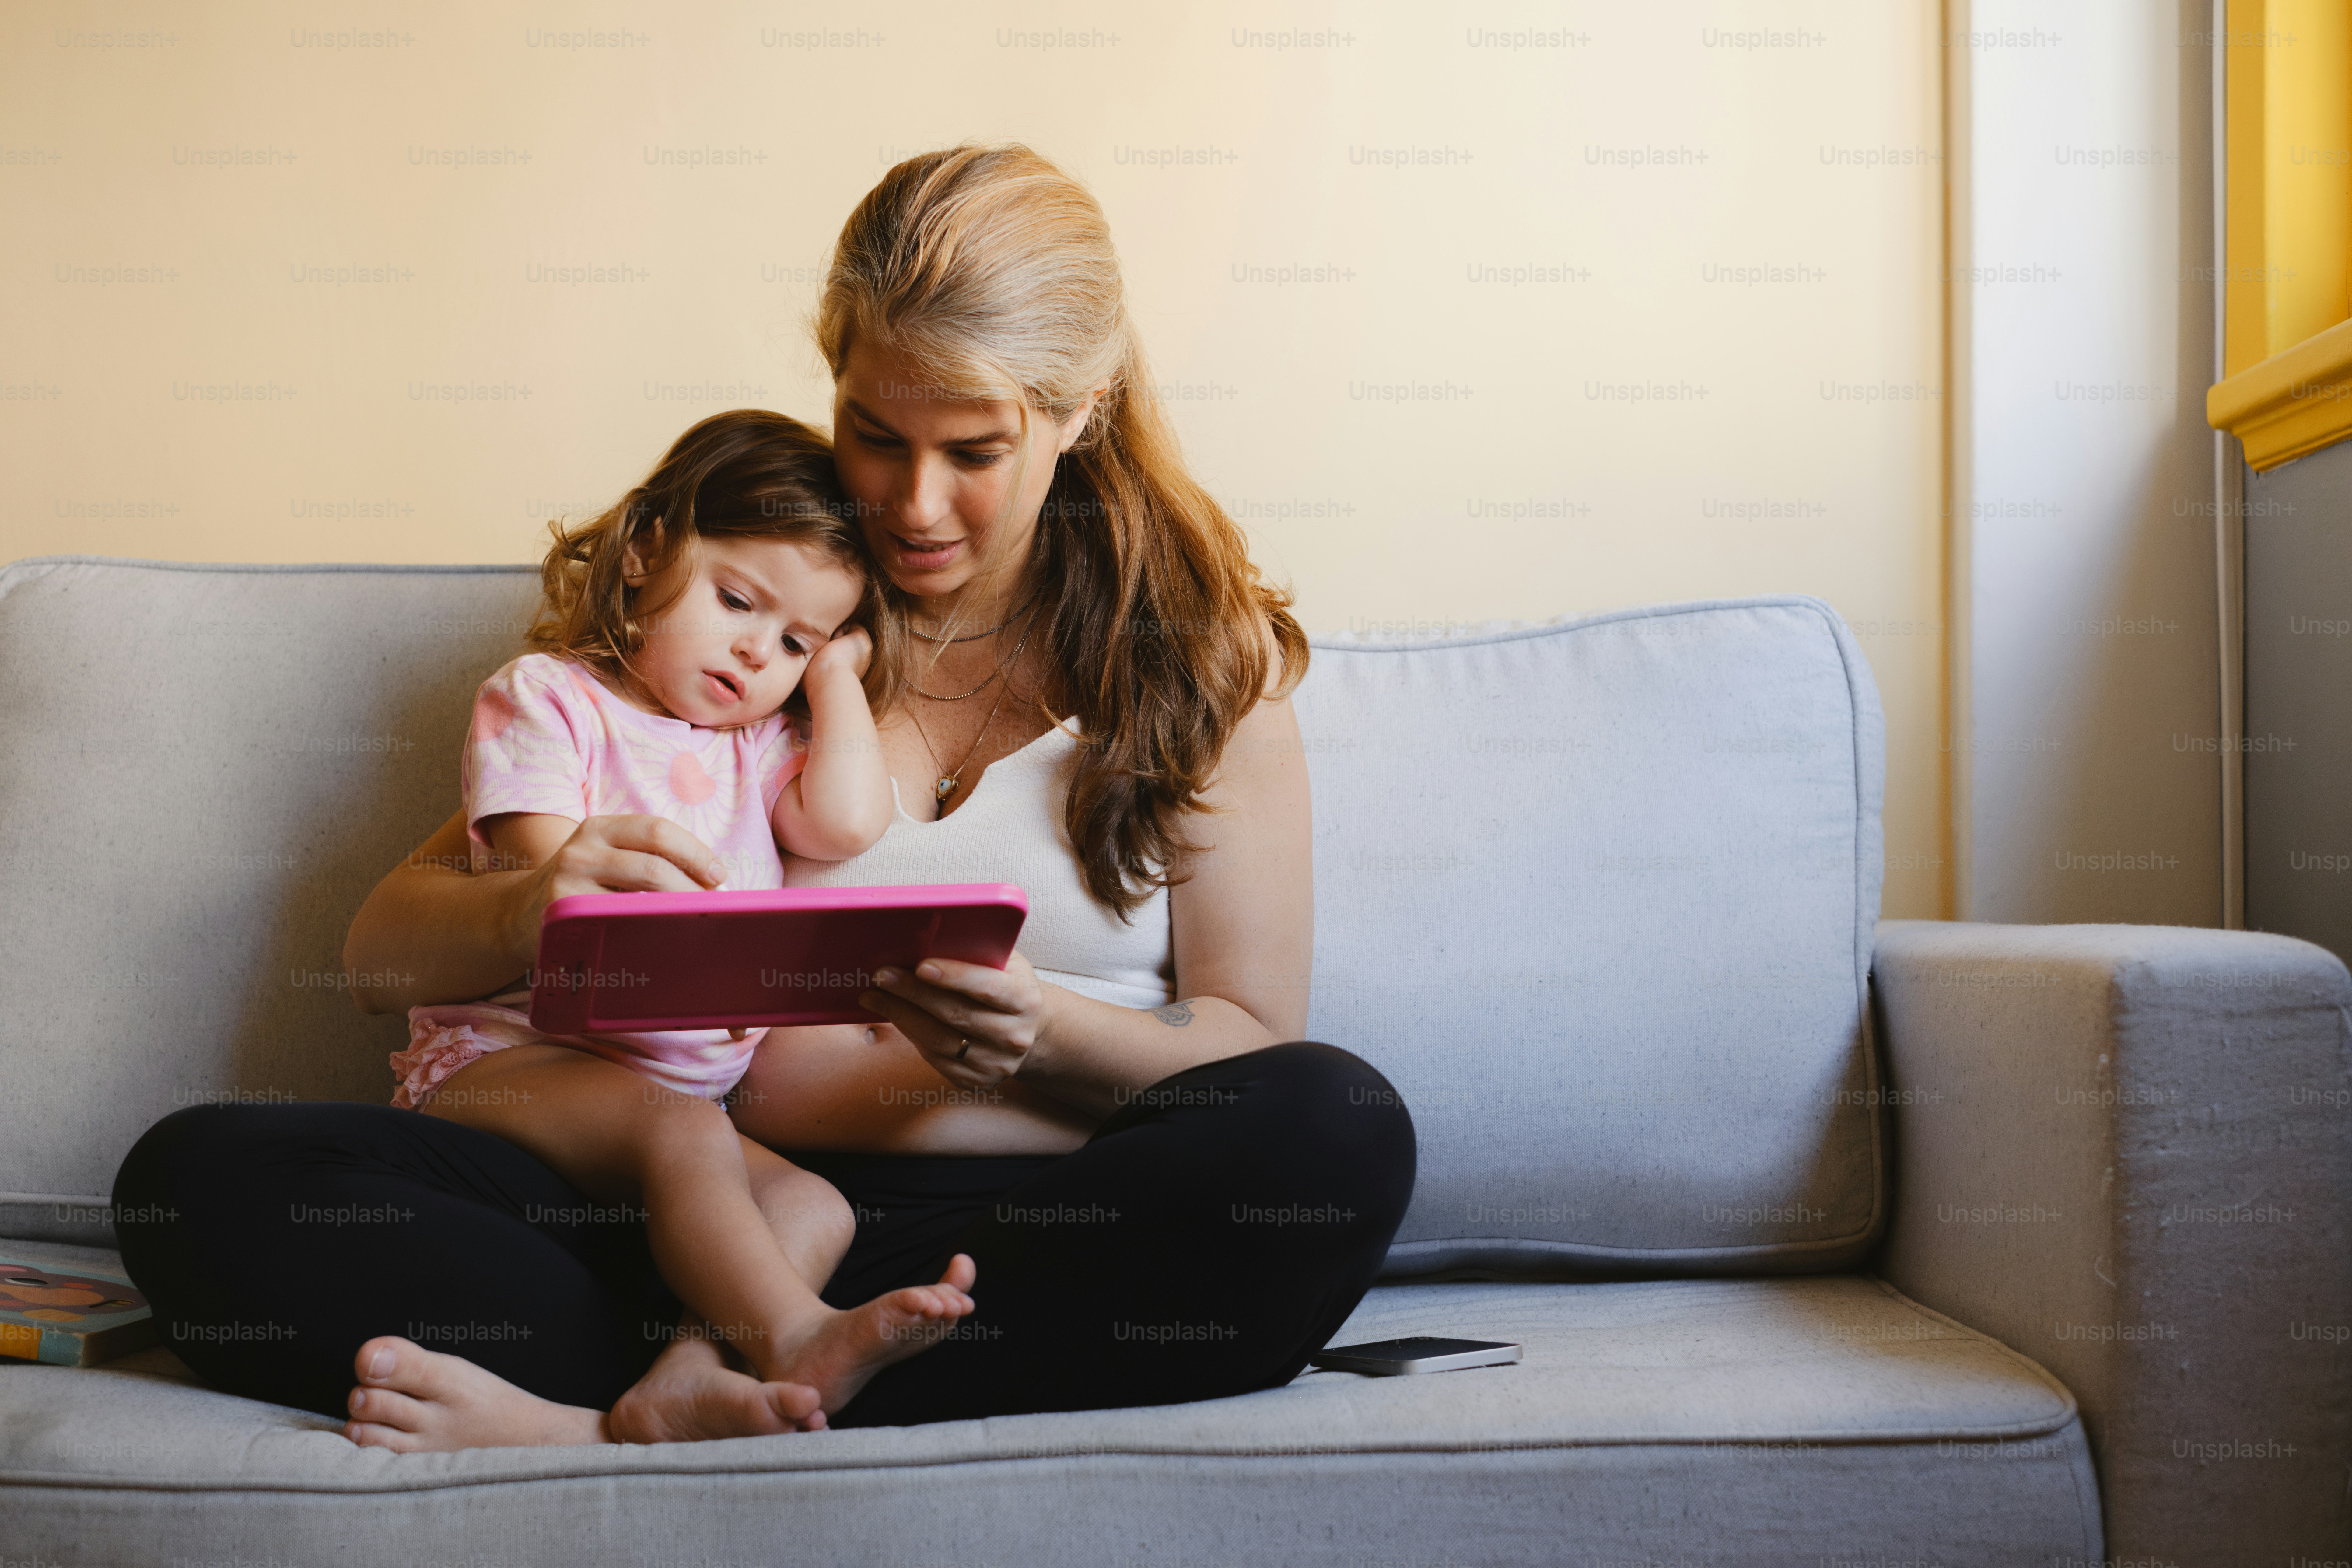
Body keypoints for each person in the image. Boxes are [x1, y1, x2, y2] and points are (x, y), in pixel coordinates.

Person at [113, 143, 1416, 1451]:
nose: (914, 506)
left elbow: (1250, 1038)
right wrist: (537, 901)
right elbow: (383, 952)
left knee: (1333, 1127)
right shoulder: (761, 615)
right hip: (709, 1209)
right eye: (875, 433)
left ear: (1081, 409)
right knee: (198, 1182)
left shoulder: (1201, 664)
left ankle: (621, 1415)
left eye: (975, 450)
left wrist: (1044, 1035)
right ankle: (740, 1370)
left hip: (1030, 1234)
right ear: (835, 380)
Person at [389, 407, 976, 1428]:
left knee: (815, 1204)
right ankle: (793, 1336)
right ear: (647, 549)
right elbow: (547, 881)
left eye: (794, 638)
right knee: (685, 1135)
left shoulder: (756, 746)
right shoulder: (552, 701)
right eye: (737, 601)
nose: (756, 654)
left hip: (669, 1109)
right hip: (510, 1063)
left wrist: (835, 681)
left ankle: (689, 1378)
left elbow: (844, 821)